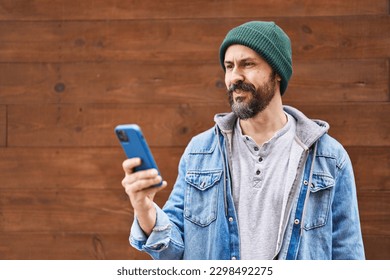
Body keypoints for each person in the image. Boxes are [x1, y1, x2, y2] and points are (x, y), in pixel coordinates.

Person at [121, 21, 365, 260]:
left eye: (247, 64)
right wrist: (144, 207)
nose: (234, 77)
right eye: (229, 66)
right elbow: (173, 251)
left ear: (277, 72)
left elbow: (348, 254)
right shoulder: (200, 151)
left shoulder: (329, 157)